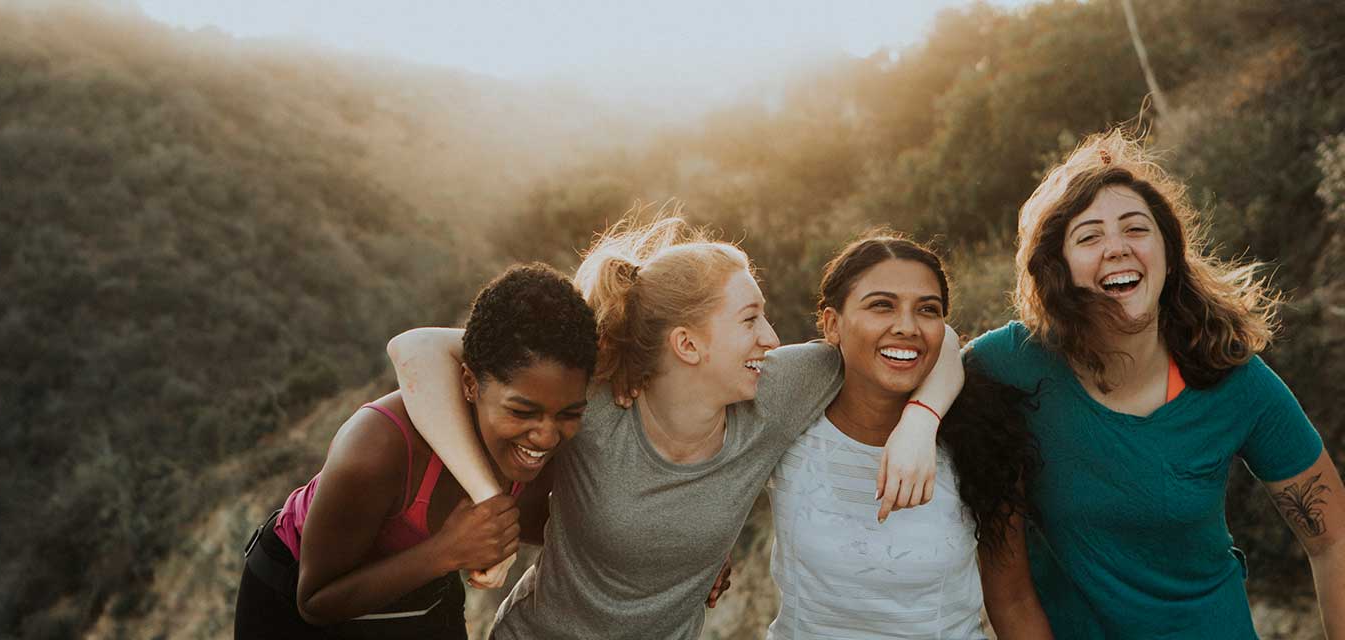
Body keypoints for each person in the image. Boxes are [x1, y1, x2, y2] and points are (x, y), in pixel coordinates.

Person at [387, 216, 963, 639]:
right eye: (750, 319)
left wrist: (920, 420)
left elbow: (937, 341)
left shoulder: (778, 388)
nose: (772, 338)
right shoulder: (595, 398)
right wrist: (491, 504)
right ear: (687, 344)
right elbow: (416, 350)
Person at [968, 130, 1345, 638]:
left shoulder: (1233, 378)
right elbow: (929, 360)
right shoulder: (1013, 362)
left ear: (1168, 253)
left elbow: (1333, 538)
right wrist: (919, 419)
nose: (1116, 248)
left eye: (1135, 229)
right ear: (1058, 268)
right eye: (1089, 236)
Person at [232, 264, 598, 639]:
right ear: (470, 383)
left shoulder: (543, 449)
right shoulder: (376, 448)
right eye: (522, 412)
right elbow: (315, 602)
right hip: (295, 598)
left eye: (569, 414)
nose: (546, 436)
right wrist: (449, 551)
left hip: (421, 587)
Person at [766, 233, 1052, 639]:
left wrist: (921, 422)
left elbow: (1014, 602)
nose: (906, 327)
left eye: (927, 310)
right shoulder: (789, 421)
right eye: (882, 305)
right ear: (832, 324)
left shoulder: (983, 442)